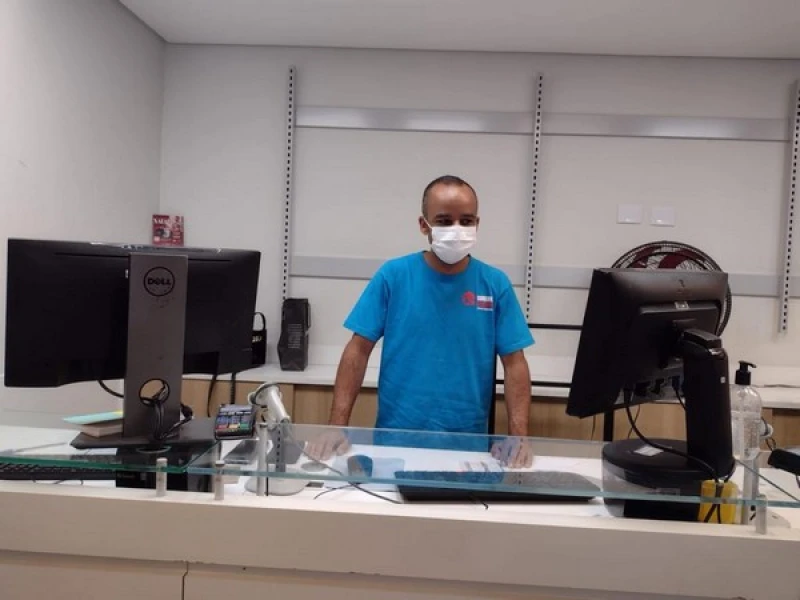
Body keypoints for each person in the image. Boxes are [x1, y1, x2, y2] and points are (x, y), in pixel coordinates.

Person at [309, 175, 535, 466]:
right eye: (444, 221)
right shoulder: (393, 276)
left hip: (467, 447)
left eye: (466, 221)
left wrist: (519, 437)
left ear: (477, 224)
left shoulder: (494, 284)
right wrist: (336, 426)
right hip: (395, 445)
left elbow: (515, 363)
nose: (456, 229)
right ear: (423, 224)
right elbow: (358, 349)